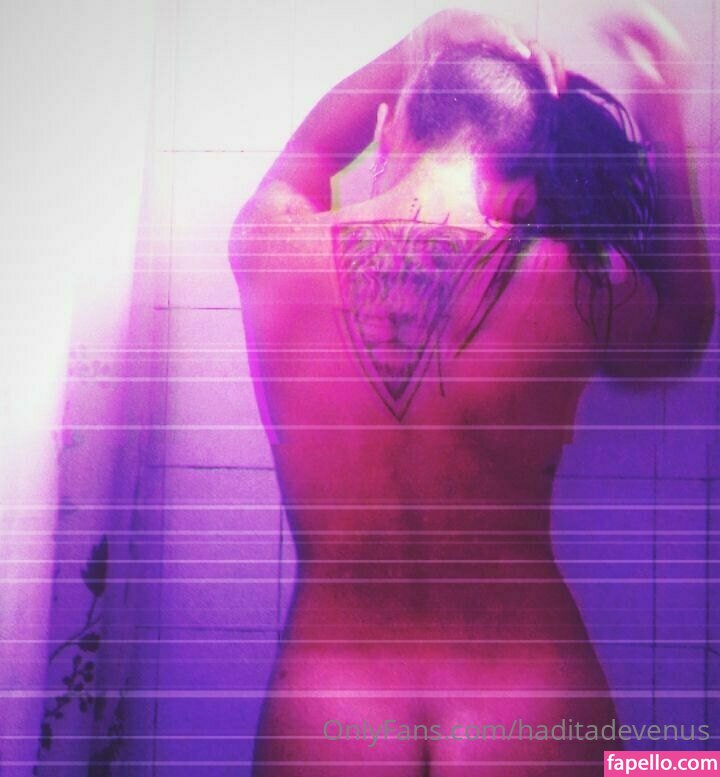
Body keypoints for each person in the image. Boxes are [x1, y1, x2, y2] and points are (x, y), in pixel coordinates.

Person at [229, 6, 714, 776]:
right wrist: (664, 115)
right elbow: (682, 331)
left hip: (329, 709)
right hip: (531, 704)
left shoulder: (273, 248)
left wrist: (418, 44)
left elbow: (310, 152)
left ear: (387, 131)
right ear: (523, 188)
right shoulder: (579, 279)